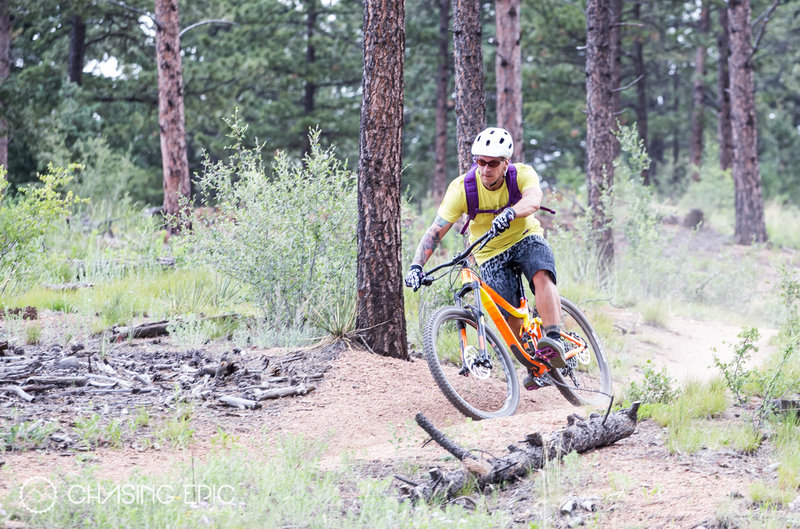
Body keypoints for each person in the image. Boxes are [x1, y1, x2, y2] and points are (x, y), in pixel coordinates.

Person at [404, 127, 566, 390]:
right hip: (489, 254)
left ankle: (554, 339)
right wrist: (415, 265)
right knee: (509, 316)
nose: (485, 168)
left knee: (541, 275)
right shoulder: (462, 188)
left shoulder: (522, 174)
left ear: (506, 163)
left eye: (492, 163)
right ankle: (536, 366)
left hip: (526, 237)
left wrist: (512, 213)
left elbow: (534, 200)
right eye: (480, 161)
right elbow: (435, 231)